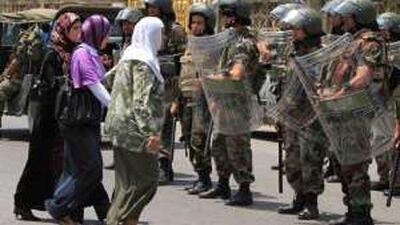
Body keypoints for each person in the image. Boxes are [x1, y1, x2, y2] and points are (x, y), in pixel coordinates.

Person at [12, 12, 80, 222]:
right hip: (48, 117)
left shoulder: (72, 51)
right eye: (74, 28)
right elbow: (52, 85)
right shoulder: (53, 53)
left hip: (62, 117)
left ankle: (58, 208)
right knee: (39, 163)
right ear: (64, 29)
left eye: (79, 28)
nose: (79, 32)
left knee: (58, 165)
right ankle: (23, 203)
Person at [46, 15, 111, 225]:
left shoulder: (91, 53)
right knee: (90, 167)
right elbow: (94, 85)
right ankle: (59, 207)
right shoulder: (83, 53)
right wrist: (115, 106)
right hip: (79, 119)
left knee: (79, 168)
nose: (107, 38)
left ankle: (69, 211)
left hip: (87, 119)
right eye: (105, 33)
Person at [326, 0, 385, 224]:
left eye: (348, 17)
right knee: (340, 160)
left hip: (358, 109)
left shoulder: (371, 43)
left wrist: (339, 92)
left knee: (356, 163)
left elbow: (363, 77)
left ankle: (362, 213)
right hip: (344, 108)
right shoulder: (352, 42)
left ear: (359, 17)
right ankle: (352, 209)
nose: (344, 20)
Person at [198, 0, 259, 206]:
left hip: (237, 103)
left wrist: (212, 77)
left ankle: (244, 189)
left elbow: (236, 74)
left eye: (225, 15)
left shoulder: (244, 42)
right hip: (224, 102)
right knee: (219, 145)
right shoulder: (229, 41)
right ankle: (223, 184)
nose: (223, 19)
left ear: (234, 16)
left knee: (238, 147)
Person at [105, 16, 165, 225]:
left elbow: (108, 80)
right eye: (160, 32)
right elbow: (141, 101)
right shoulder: (143, 63)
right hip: (133, 131)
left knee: (126, 183)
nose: (162, 37)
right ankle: (121, 219)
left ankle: (122, 220)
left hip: (118, 127)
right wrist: (151, 133)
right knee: (147, 179)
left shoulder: (129, 55)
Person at [277, 8, 327, 220]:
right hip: (292, 114)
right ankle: (298, 197)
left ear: (309, 29)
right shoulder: (292, 53)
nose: (293, 32)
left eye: (296, 29)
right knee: (292, 160)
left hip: (312, 117)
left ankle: (311, 203)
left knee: (310, 160)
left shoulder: (321, 55)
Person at [144, 0, 187, 184]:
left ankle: (164, 165)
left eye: (154, 7)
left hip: (170, 84)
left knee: (166, 125)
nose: (151, 11)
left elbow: (183, 60)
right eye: (149, 8)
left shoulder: (175, 30)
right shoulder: (147, 27)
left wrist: (179, 93)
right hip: (150, 82)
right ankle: (152, 164)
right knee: (150, 125)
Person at [174, 3, 216, 195]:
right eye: (193, 23)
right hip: (185, 98)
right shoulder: (189, 45)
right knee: (189, 138)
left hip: (203, 100)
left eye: (200, 23)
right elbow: (182, 73)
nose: (195, 26)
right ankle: (199, 176)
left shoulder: (212, 46)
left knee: (200, 140)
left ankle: (205, 177)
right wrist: (176, 100)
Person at [104, 7, 144, 170]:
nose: (126, 27)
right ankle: (118, 157)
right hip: (120, 90)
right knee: (118, 126)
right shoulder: (124, 43)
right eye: (124, 24)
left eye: (129, 24)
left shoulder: (141, 44)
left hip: (134, 90)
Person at [376, 12, 400, 196]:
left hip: (396, 98)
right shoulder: (380, 48)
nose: (381, 33)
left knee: (395, 143)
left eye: (384, 29)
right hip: (383, 98)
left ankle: (397, 181)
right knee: (380, 139)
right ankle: (384, 178)